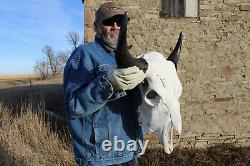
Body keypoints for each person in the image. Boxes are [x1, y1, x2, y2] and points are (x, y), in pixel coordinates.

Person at [63, 2, 146, 166]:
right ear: (95, 26)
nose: (115, 26)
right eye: (109, 22)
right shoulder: (83, 54)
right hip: (99, 159)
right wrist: (108, 83)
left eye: (120, 21)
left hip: (131, 151)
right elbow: (73, 106)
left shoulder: (129, 57)